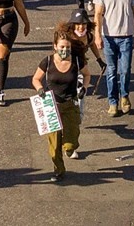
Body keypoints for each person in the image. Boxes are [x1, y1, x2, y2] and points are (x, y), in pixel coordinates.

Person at [31, 24, 91, 182]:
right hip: (52, 106)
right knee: (54, 145)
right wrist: (39, 89)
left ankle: (68, 148)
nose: (65, 50)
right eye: (62, 47)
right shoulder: (48, 62)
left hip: (70, 104)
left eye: (68, 47)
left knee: (71, 142)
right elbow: (36, 79)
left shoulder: (76, 61)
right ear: (55, 46)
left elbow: (87, 75)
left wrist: (84, 88)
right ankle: (59, 169)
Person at [93, 0, 134, 117]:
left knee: (125, 70)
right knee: (112, 71)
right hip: (108, 37)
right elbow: (98, 14)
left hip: (126, 36)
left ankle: (125, 96)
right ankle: (112, 101)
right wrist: (97, 36)